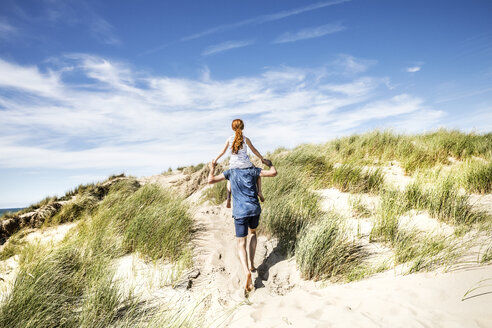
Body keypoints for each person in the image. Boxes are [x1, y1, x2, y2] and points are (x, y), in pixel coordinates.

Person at [208, 157, 277, 293]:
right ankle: (251, 264)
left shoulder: (231, 172)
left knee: (241, 243)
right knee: (253, 233)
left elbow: (211, 180)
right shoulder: (253, 171)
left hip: (240, 211)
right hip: (254, 208)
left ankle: (246, 271)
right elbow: (273, 172)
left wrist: (212, 168)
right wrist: (270, 164)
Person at [213, 119, 269, 208]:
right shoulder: (246, 139)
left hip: (234, 165)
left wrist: (215, 159)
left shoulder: (229, 139)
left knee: (230, 178)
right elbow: (254, 150)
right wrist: (262, 159)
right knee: (257, 173)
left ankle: (228, 198)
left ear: (232, 128)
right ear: (243, 127)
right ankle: (259, 191)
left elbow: (222, 152)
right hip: (246, 164)